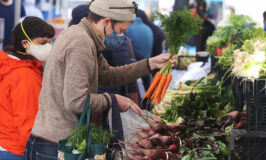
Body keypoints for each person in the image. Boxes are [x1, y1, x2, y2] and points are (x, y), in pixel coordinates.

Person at [26, 0, 176, 159]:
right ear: (107, 21)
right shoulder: (80, 43)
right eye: (120, 30)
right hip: (54, 145)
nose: (121, 36)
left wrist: (150, 63)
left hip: (57, 142)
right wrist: (113, 100)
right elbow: (77, 101)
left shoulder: (84, 37)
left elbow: (108, 76)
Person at [0, 16, 54, 160]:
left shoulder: (8, 64)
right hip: (17, 150)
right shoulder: (24, 75)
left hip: (5, 144)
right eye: (43, 43)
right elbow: (28, 121)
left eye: (49, 43)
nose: (48, 48)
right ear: (25, 43)